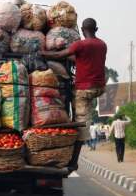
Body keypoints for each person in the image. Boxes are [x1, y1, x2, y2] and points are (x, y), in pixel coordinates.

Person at [40, 18, 107, 172]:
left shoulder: (80, 44)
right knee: (82, 115)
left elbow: (60, 56)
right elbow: (79, 59)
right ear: (96, 29)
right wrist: (66, 55)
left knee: (81, 124)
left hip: (84, 90)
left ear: (83, 30)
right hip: (99, 88)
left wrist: (44, 53)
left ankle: (74, 161)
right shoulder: (102, 45)